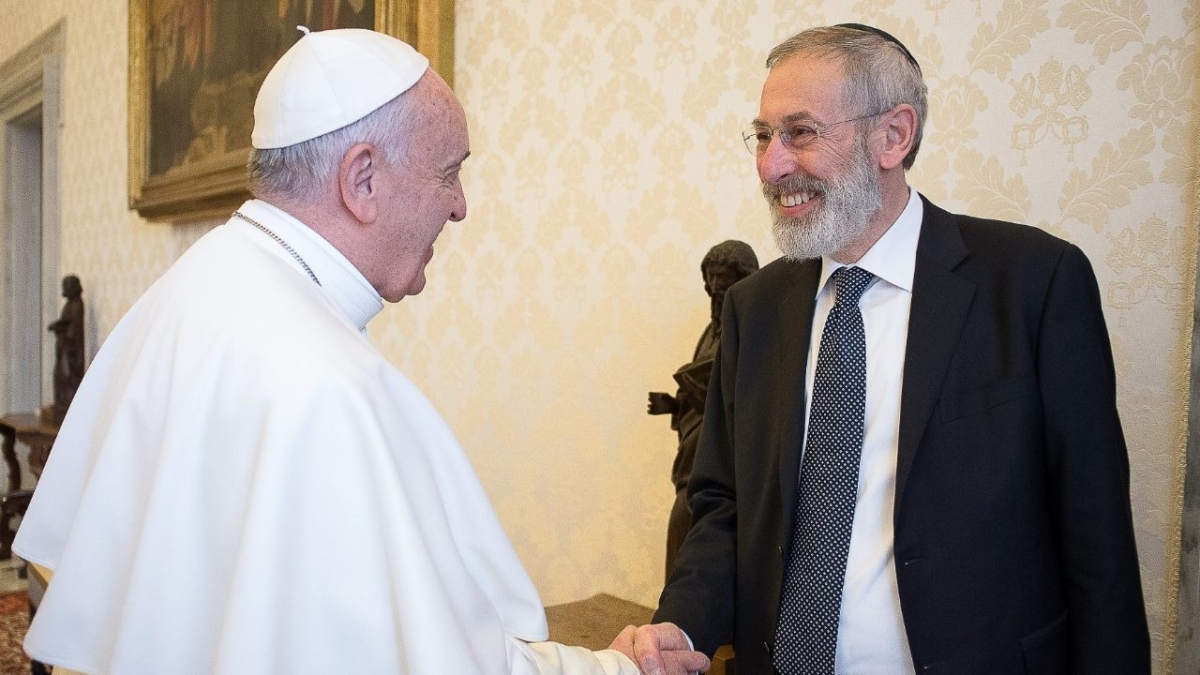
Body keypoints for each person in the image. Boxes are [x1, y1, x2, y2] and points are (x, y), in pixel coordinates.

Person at [14, 29, 708, 675]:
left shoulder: (197, 284)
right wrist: (617, 665)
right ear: (362, 179)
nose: (461, 206)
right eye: (449, 172)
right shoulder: (325, 386)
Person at [614, 23, 1149, 675]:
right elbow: (723, 506)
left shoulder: (1035, 283)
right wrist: (681, 624)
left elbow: (1098, 541)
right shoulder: (753, 307)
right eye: (762, 135)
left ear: (893, 135)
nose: (771, 165)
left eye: (800, 133)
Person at [647, 240, 757, 580]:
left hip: (727, 464)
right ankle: (675, 619)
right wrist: (676, 404)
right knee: (682, 527)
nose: (715, 293)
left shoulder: (756, 329)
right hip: (694, 451)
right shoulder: (712, 329)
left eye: (722, 286)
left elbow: (755, 400)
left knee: (699, 530)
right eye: (711, 286)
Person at [46, 275, 85, 422]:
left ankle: (66, 407)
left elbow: (73, 329)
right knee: (60, 376)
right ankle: (61, 405)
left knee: (67, 378)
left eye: (66, 286)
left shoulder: (77, 305)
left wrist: (60, 328)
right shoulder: (69, 305)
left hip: (70, 352)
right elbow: (66, 321)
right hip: (64, 349)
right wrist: (58, 326)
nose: (64, 289)